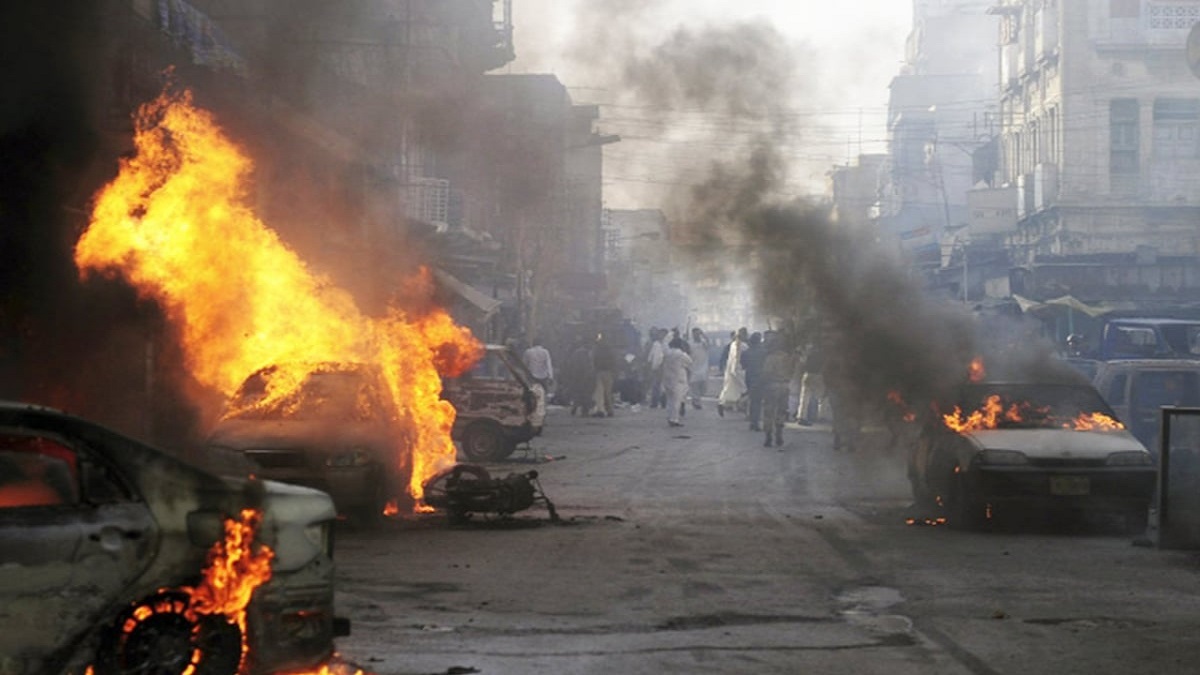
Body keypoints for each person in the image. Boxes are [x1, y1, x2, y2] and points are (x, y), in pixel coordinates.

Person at [760, 333, 797, 447]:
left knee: (769, 412)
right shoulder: (788, 358)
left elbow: (766, 373)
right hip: (785, 386)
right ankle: (779, 436)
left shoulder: (770, 358)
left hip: (772, 386)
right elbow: (792, 371)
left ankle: (768, 437)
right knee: (781, 411)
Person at [662, 337, 693, 427]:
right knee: (676, 401)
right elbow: (690, 362)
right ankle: (674, 419)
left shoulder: (667, 353)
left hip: (667, 378)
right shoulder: (681, 354)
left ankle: (669, 417)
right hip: (679, 379)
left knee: (669, 400)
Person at [718, 328, 748, 417]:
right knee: (745, 391)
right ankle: (745, 410)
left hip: (732, 370)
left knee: (730, 389)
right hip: (739, 370)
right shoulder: (743, 346)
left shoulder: (733, 345)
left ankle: (722, 404)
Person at [796, 340, 826, 426]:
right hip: (819, 376)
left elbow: (802, 363)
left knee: (805, 398)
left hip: (808, 375)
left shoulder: (808, 355)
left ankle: (801, 416)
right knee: (822, 397)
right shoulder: (823, 355)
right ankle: (821, 416)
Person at [563, 337, 595, 416]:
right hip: (585, 376)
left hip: (576, 376)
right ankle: (585, 411)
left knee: (577, 393)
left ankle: (574, 408)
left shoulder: (576, 353)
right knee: (586, 394)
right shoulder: (588, 353)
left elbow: (571, 365)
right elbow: (589, 366)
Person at [741, 332, 767, 431]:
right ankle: (755, 422)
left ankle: (753, 421)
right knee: (758, 401)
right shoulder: (764, 352)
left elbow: (743, 365)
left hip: (749, 378)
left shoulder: (746, 352)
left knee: (753, 400)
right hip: (761, 378)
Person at [591, 333, 617, 417]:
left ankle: (600, 410)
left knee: (600, 392)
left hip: (599, 372)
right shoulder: (610, 349)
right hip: (608, 372)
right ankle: (610, 410)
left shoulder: (596, 349)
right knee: (608, 393)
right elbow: (614, 361)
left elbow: (593, 360)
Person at [689, 327, 710, 410]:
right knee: (694, 385)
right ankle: (696, 401)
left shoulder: (703, 343)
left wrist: (703, 334)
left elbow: (708, 344)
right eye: (695, 334)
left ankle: (696, 399)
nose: (697, 335)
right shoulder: (690, 343)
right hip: (693, 367)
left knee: (703, 388)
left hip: (703, 368)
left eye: (698, 334)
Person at [645, 328, 666, 408]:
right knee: (655, 385)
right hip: (656, 368)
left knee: (663, 386)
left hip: (664, 367)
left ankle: (663, 402)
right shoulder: (655, 344)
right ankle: (655, 402)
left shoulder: (666, 344)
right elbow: (651, 356)